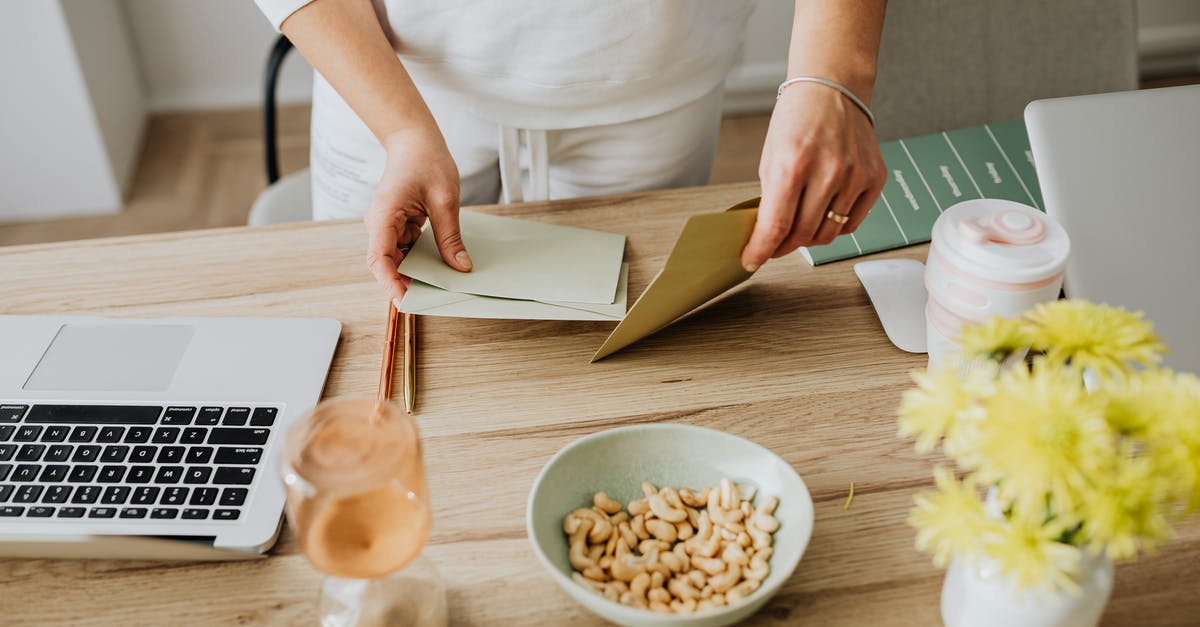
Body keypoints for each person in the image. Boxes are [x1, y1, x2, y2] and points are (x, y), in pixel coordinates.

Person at [255, 0, 887, 303]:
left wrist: (835, 74)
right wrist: (401, 129)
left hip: (655, 87)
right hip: (389, 83)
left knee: (631, 369)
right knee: (382, 369)